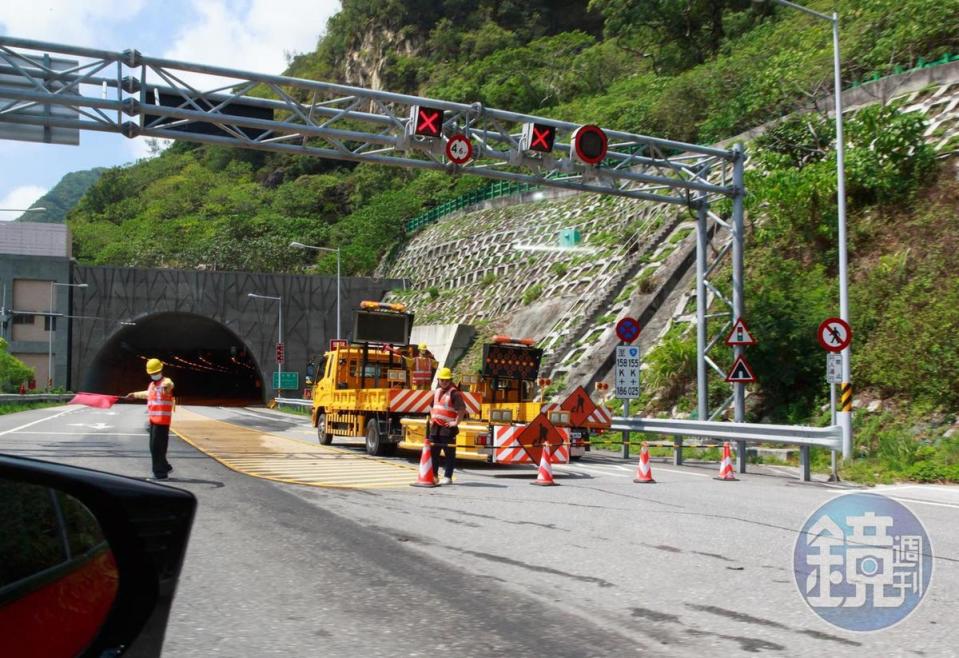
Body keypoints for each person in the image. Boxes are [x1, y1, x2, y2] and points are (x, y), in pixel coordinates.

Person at [128, 358, 175, 480]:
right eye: (152, 373)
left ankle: (160, 474)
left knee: (156, 448)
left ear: (160, 370)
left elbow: (170, 385)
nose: (154, 375)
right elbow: (147, 394)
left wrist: (167, 386)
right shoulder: (152, 385)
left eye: (155, 373)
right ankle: (165, 467)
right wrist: (134, 394)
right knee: (155, 447)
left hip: (162, 422)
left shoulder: (165, 382)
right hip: (153, 421)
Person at [427, 367, 466, 485]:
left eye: (446, 380)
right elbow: (431, 406)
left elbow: (462, 409)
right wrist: (432, 417)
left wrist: (456, 422)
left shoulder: (454, 393)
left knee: (449, 454)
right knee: (434, 453)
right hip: (435, 428)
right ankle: (434, 476)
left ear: (450, 380)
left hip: (447, 428)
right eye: (442, 380)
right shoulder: (437, 391)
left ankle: (447, 477)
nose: (444, 382)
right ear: (438, 380)